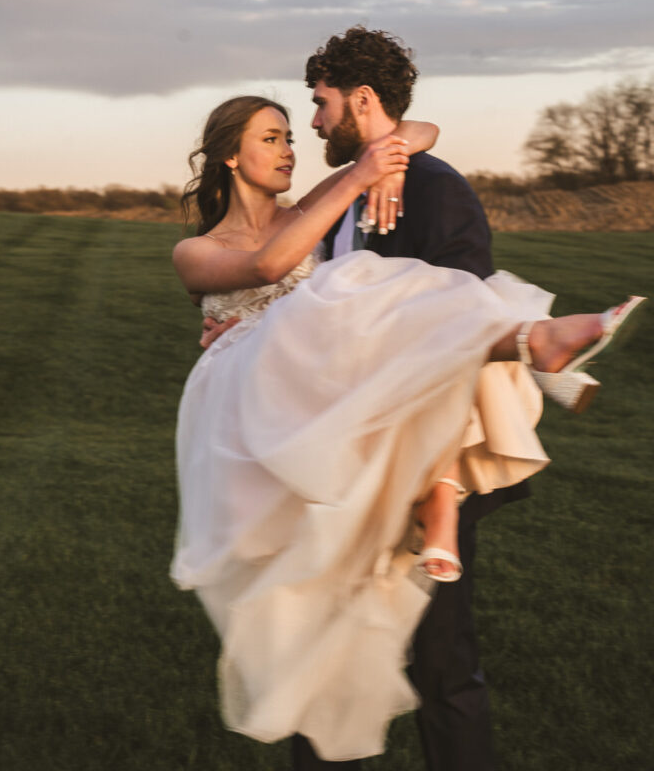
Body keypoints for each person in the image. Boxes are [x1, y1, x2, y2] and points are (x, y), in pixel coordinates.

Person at [171, 89, 641, 766]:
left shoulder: (308, 210)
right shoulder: (195, 251)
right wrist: (365, 171)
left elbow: (420, 128)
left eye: (289, 135)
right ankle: (527, 348)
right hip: (255, 427)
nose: (289, 147)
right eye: (271, 137)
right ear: (229, 158)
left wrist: (385, 160)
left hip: (325, 407)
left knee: (379, 289)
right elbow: (267, 267)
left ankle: (524, 351)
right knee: (303, 617)